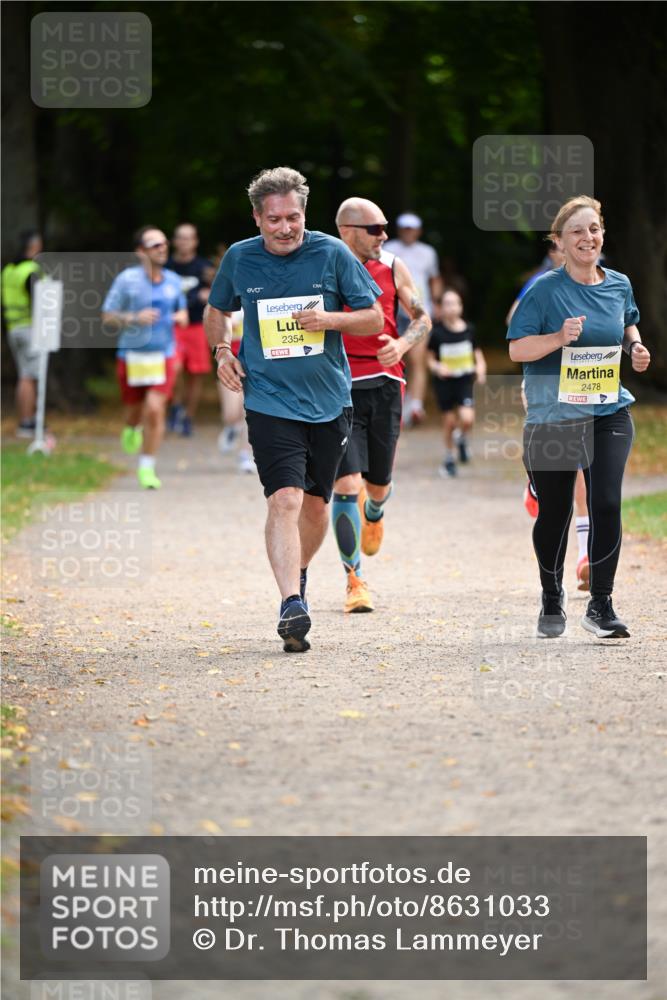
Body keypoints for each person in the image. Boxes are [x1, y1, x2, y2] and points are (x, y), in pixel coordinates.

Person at [204, 167, 383, 653]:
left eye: (294, 218)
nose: (285, 228)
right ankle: (290, 603)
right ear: (257, 218)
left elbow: (374, 318)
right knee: (284, 498)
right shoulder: (240, 258)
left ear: (305, 214)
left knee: (315, 506)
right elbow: (217, 310)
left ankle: (298, 575)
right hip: (268, 399)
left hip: (328, 401)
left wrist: (329, 319)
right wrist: (222, 351)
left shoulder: (331, 253)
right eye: (275, 219)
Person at [507, 196, 651, 639]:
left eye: (594, 229)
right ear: (559, 241)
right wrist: (557, 337)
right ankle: (552, 596)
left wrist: (634, 347)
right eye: (576, 231)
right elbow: (517, 349)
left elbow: (626, 323)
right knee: (555, 512)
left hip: (608, 410)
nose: (587, 237)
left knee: (606, 502)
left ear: (602, 233)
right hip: (554, 417)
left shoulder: (619, 283)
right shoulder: (544, 291)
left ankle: (601, 604)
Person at [332, 197, 432, 613]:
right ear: (348, 231)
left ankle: (373, 511)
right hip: (338, 388)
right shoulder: (323, 265)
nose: (384, 236)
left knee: (377, 486)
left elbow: (422, 317)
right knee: (345, 485)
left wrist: (403, 343)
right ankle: (354, 580)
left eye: (385, 227)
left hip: (386, 384)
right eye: (375, 229)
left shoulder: (393, 266)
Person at [102, 225, 187, 489]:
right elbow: (107, 316)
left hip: (164, 355)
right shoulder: (127, 280)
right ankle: (131, 427)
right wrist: (133, 317)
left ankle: (147, 467)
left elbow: (183, 313)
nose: (163, 249)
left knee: (154, 408)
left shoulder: (173, 280)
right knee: (134, 411)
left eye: (164, 244)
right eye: (155, 245)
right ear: (141, 252)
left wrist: (181, 317)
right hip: (132, 356)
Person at [384, 213, 443, 426]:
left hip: (419, 310)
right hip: (394, 311)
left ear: (418, 231)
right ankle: (400, 403)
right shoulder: (388, 248)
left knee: (418, 359)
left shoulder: (428, 252)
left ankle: (416, 405)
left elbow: (434, 278)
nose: (408, 232)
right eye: (405, 228)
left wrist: (436, 302)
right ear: (399, 229)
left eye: (412, 228)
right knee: (398, 358)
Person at [427, 288, 486, 478]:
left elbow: (478, 354)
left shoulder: (469, 329)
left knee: (467, 418)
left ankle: (460, 437)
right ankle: (449, 458)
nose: (451, 308)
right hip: (444, 383)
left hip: (464, 381)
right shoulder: (437, 333)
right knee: (449, 421)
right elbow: (429, 359)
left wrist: (481, 369)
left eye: (455, 303)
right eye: (447, 304)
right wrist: (437, 368)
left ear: (460, 307)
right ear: (441, 308)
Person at [166, 223, 214, 436]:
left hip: (197, 326)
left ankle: (188, 418)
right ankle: (176, 406)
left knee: (195, 375)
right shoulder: (166, 266)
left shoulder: (205, 267)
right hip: (172, 326)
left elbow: (218, 291)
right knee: (173, 368)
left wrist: (208, 295)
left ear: (195, 241)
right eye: (180, 237)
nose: (184, 242)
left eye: (189, 238)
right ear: (174, 241)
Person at [1, 229, 43, 437]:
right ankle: (28, 422)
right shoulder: (30, 270)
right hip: (29, 328)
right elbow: (40, 302)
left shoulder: (8, 270)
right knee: (30, 376)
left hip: (13, 328)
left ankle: (27, 420)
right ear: (34, 246)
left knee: (24, 374)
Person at [216, 309, 256, 474]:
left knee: (250, 412)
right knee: (231, 414)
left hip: (254, 363)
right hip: (231, 362)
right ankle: (232, 428)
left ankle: (245, 456)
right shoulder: (226, 304)